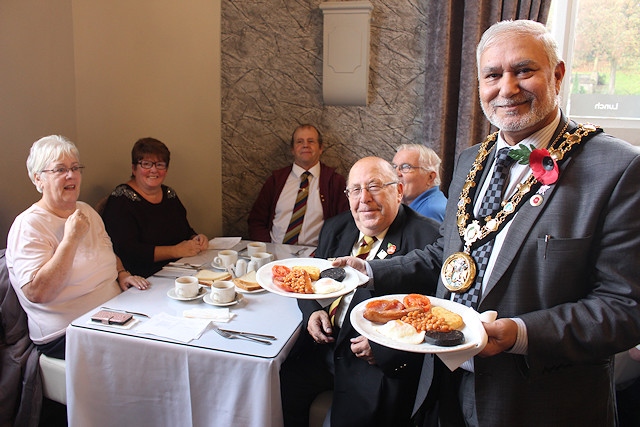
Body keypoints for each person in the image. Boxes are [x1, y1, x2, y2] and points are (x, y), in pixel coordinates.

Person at [334, 20, 640, 425]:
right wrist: (370, 269)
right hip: (442, 384)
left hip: (538, 401)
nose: (507, 88)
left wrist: (519, 333)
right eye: (493, 75)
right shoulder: (469, 160)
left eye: (524, 71)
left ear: (558, 74)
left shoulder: (617, 168)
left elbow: (624, 309)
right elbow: (446, 256)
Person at [279, 157, 441, 427]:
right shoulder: (335, 227)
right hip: (325, 346)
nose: (364, 199)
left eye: (374, 186)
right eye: (355, 189)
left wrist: (386, 348)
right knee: (281, 387)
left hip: (374, 362)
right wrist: (313, 312)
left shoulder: (428, 239)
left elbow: (433, 312)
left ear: (398, 190)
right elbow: (307, 278)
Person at [6, 135, 149, 360]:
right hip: (65, 332)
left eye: (75, 168)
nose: (71, 175)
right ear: (38, 179)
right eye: (60, 169)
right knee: (149, 354)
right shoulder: (29, 225)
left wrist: (122, 274)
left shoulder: (86, 211)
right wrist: (70, 239)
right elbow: (38, 292)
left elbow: (106, 253)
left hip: (114, 311)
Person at [101, 137, 209, 278]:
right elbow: (127, 251)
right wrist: (175, 251)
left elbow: (185, 230)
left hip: (181, 269)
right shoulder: (120, 199)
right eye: (146, 164)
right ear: (134, 168)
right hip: (143, 278)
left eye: (160, 165)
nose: (153, 170)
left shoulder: (169, 194)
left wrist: (196, 238)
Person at [248, 124, 349, 246]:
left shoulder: (334, 182)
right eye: (299, 142)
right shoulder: (276, 180)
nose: (305, 145)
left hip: (315, 256)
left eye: (311, 141)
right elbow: (256, 220)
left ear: (321, 148)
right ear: (292, 149)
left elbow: (345, 224)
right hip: (275, 252)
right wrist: (267, 248)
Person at [392, 144, 447, 222]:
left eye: (406, 167)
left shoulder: (430, 211)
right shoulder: (429, 203)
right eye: (394, 167)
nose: (396, 173)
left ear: (430, 177)